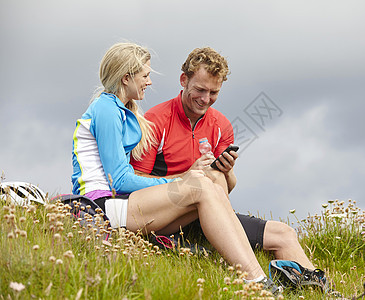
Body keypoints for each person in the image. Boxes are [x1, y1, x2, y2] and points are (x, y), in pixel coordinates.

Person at [71, 42, 281, 295]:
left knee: (209, 181)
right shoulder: (106, 109)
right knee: (199, 186)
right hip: (99, 206)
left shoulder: (124, 111)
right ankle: (254, 280)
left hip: (120, 206)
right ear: (126, 78)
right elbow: (119, 180)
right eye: (145, 75)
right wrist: (181, 179)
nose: (149, 82)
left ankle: (256, 277)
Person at [130, 47, 326, 282]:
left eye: (214, 92)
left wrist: (228, 170)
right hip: (166, 213)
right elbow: (135, 182)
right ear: (183, 80)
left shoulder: (221, 125)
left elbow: (228, 187)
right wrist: (186, 176)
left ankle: (323, 293)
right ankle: (255, 278)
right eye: (200, 90)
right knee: (208, 179)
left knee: (284, 234)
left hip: (209, 213)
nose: (205, 99)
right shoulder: (155, 120)